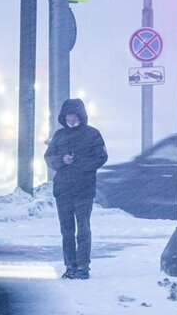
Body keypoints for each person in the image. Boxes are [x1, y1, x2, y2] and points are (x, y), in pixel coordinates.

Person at [44, 98, 108, 280]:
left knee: (83, 229)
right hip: (63, 190)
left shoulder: (93, 134)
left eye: (73, 116)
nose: (71, 120)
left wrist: (78, 163)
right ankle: (70, 265)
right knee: (66, 231)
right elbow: (49, 157)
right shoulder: (59, 135)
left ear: (81, 116)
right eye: (68, 117)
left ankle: (83, 266)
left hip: (84, 190)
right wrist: (62, 161)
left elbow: (101, 157)